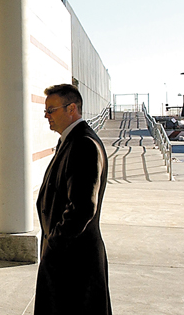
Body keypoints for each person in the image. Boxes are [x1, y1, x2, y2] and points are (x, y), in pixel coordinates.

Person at [35, 84, 112, 315]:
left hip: (74, 260)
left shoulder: (84, 144)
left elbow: (82, 207)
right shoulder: (70, 141)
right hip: (68, 256)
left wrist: (55, 245)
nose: (47, 116)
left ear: (71, 109)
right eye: (46, 111)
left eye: (51, 110)